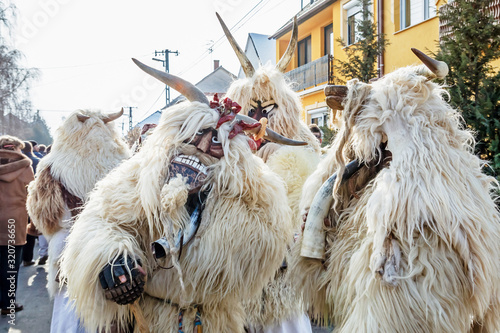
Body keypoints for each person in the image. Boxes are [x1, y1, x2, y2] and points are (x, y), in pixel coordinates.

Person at [27, 109, 129, 333]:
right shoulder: (123, 162)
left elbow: (43, 215)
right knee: (113, 307)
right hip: (112, 248)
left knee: (70, 307)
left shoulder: (51, 166)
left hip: (66, 247)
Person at [0, 135, 35, 315]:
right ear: (17, 147)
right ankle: (8, 303)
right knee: (11, 265)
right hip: (15, 222)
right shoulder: (25, 167)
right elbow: (32, 196)